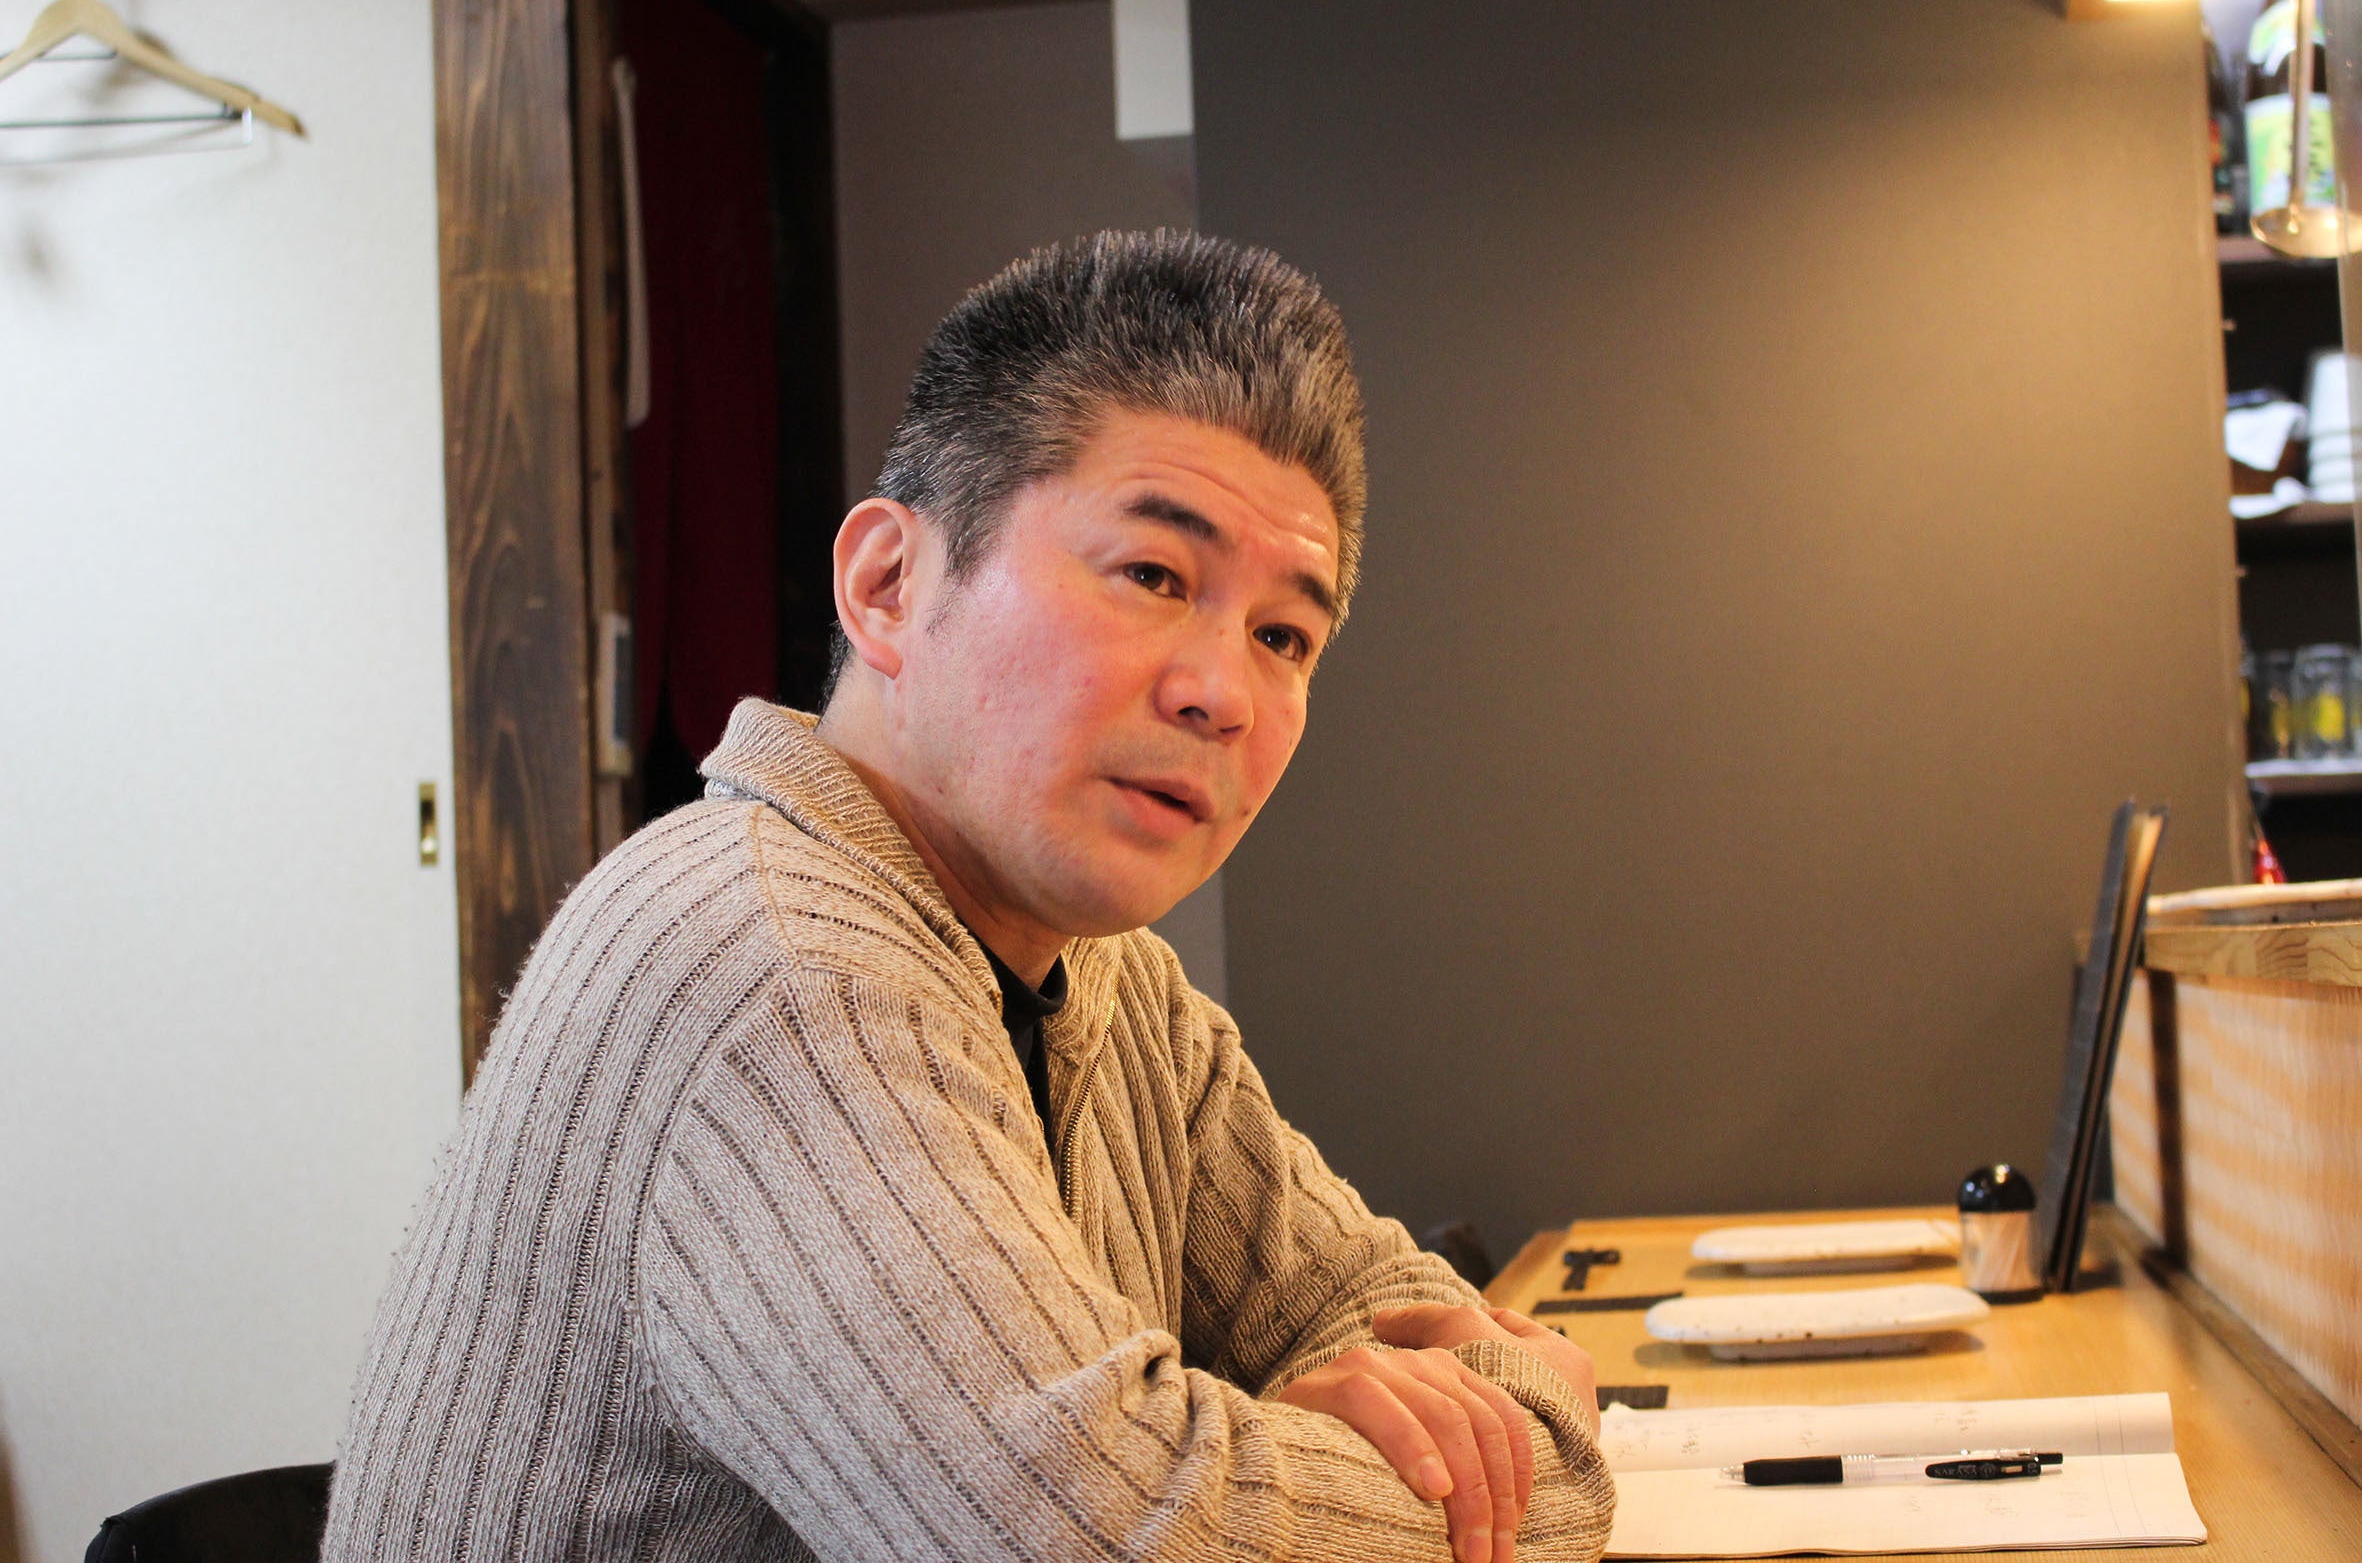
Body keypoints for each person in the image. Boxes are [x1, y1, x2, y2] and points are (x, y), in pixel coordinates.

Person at [325, 230, 1613, 1563]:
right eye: (1153, 576)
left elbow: (1370, 1307)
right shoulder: (772, 964)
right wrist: (1542, 1453)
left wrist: (1325, 1442)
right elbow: (1106, 1538)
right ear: (889, 585)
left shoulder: (1108, 980)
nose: (1222, 694)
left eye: (1282, 635)